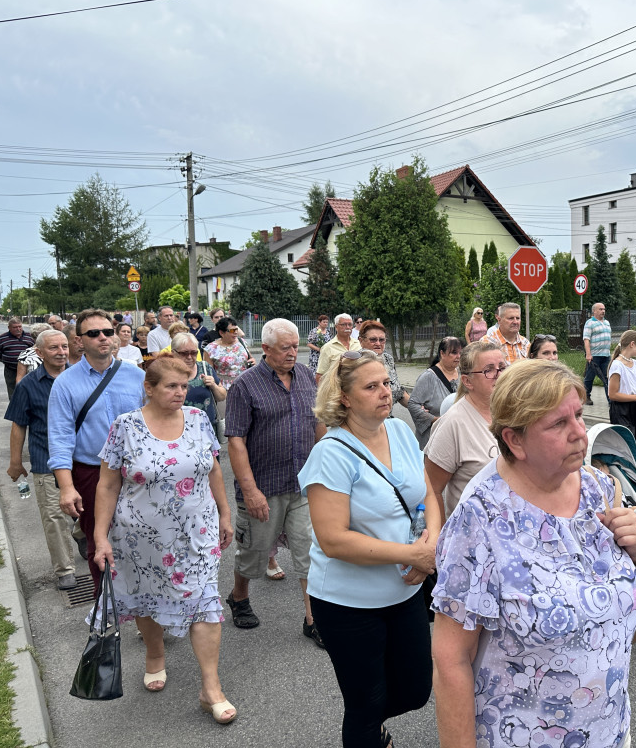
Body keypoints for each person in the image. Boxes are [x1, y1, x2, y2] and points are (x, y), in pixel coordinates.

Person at [431, 359, 636, 748]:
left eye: (579, 416)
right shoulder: (480, 518)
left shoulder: (599, 488)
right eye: (558, 424)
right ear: (515, 440)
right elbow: (451, 660)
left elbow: (630, 585)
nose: (580, 433)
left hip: (611, 730)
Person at [299, 349, 440, 747]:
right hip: (347, 602)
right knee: (364, 703)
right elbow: (333, 539)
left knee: (416, 690)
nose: (385, 392)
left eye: (386, 383)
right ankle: (368, 731)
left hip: (406, 589)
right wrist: (410, 555)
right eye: (371, 386)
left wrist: (430, 540)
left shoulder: (398, 430)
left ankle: (368, 722)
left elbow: (427, 491)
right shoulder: (330, 453)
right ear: (344, 397)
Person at [90, 353, 236, 723]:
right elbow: (108, 485)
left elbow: (213, 468)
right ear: (149, 388)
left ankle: (211, 687)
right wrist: (100, 536)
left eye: (185, 386)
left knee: (205, 602)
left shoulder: (199, 419)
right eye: (172, 386)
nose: (180, 393)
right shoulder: (126, 426)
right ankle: (155, 654)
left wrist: (225, 512)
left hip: (196, 534)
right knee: (148, 599)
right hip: (140, 538)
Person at [223, 319, 324, 647]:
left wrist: (325, 469)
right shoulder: (245, 386)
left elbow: (318, 424)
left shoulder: (308, 378)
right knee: (252, 554)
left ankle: (314, 620)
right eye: (286, 348)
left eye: (296, 346)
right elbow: (236, 441)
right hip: (263, 488)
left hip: (302, 486)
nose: (293, 352)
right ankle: (239, 597)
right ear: (265, 349)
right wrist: (250, 491)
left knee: (309, 552)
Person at [49, 309, 145, 591]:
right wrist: (67, 488)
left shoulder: (136, 375)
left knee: (144, 536)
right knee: (98, 540)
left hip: (136, 471)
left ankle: (147, 608)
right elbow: (60, 438)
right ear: (79, 341)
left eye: (107, 332)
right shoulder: (65, 384)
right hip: (91, 473)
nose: (102, 338)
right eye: (93, 333)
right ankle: (106, 608)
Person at [5, 330, 77, 589]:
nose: (61, 352)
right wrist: (15, 462)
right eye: (54, 348)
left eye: (64, 346)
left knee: (88, 511)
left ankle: (81, 535)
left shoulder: (79, 377)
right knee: (54, 516)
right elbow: (18, 424)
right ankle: (64, 569)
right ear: (39, 352)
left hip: (81, 458)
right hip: (45, 459)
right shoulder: (28, 384)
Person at [424, 341, 504, 520]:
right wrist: (441, 538)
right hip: (472, 537)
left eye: (502, 367)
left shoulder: (514, 412)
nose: (499, 375)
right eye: (489, 370)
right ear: (468, 381)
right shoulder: (454, 423)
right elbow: (432, 489)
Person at [407, 336, 462, 449]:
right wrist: (435, 420)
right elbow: (413, 404)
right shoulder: (428, 377)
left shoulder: (462, 374)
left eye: (460, 353)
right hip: (433, 439)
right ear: (442, 353)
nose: (458, 357)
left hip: (457, 436)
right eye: (454, 353)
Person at [173, 332, 226, 439]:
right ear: (173, 353)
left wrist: (213, 386)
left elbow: (222, 396)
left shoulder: (205, 368)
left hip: (207, 431)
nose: (189, 357)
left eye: (193, 353)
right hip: (178, 432)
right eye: (184, 353)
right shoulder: (166, 372)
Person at [607, 329, 636, 441]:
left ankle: (632, 459)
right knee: (626, 442)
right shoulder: (617, 365)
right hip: (621, 410)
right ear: (632, 344)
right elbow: (612, 395)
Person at [358, 320, 410, 410]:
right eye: (373, 340)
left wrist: (419, 409)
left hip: (386, 418)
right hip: (365, 419)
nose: (378, 343)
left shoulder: (388, 359)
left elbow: (398, 392)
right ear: (361, 340)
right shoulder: (355, 362)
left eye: (382, 340)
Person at [204, 317, 256, 389]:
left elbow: (250, 357)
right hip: (224, 389)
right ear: (221, 333)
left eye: (236, 329)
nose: (235, 332)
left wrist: (253, 361)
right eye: (232, 330)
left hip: (245, 385)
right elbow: (209, 373)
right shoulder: (210, 349)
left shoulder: (242, 342)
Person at [0, 317, 35, 401]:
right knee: (13, 393)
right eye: (15, 327)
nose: (18, 329)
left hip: (28, 370)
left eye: (20, 326)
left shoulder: (30, 337)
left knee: (30, 391)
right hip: (11, 371)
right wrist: (8, 361)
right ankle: (15, 411)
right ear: (9, 327)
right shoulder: (2, 339)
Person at [315, 313, 361, 384]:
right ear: (336, 327)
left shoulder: (358, 344)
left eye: (350, 325)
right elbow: (320, 375)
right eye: (343, 325)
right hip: (336, 390)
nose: (347, 327)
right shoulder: (327, 348)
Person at [582, 302, 611, 406]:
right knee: (590, 377)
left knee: (607, 377)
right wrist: (588, 354)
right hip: (594, 355)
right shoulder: (590, 323)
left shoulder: (607, 322)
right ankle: (586, 396)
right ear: (594, 311)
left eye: (604, 309)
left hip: (606, 355)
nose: (603, 311)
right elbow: (586, 339)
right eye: (600, 309)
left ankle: (610, 399)